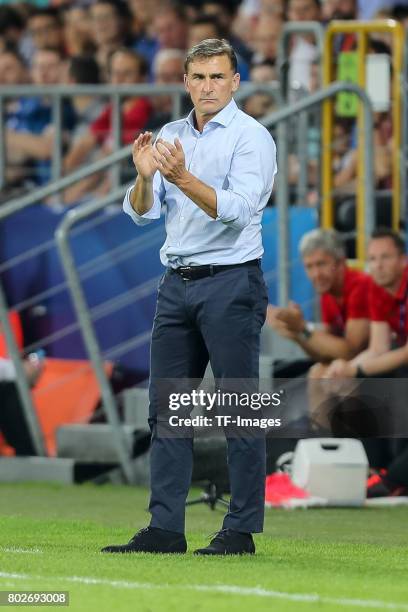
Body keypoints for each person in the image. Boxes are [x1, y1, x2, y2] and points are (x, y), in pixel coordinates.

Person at [101, 38, 277, 556]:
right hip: (176, 285)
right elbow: (141, 213)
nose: (207, 87)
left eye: (217, 77)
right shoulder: (171, 135)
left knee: (238, 409)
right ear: (185, 82)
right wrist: (143, 177)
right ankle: (165, 529)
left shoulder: (252, 137)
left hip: (231, 283)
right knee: (167, 411)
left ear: (236, 81)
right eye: (198, 78)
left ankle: (240, 531)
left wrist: (181, 176)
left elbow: (237, 211)